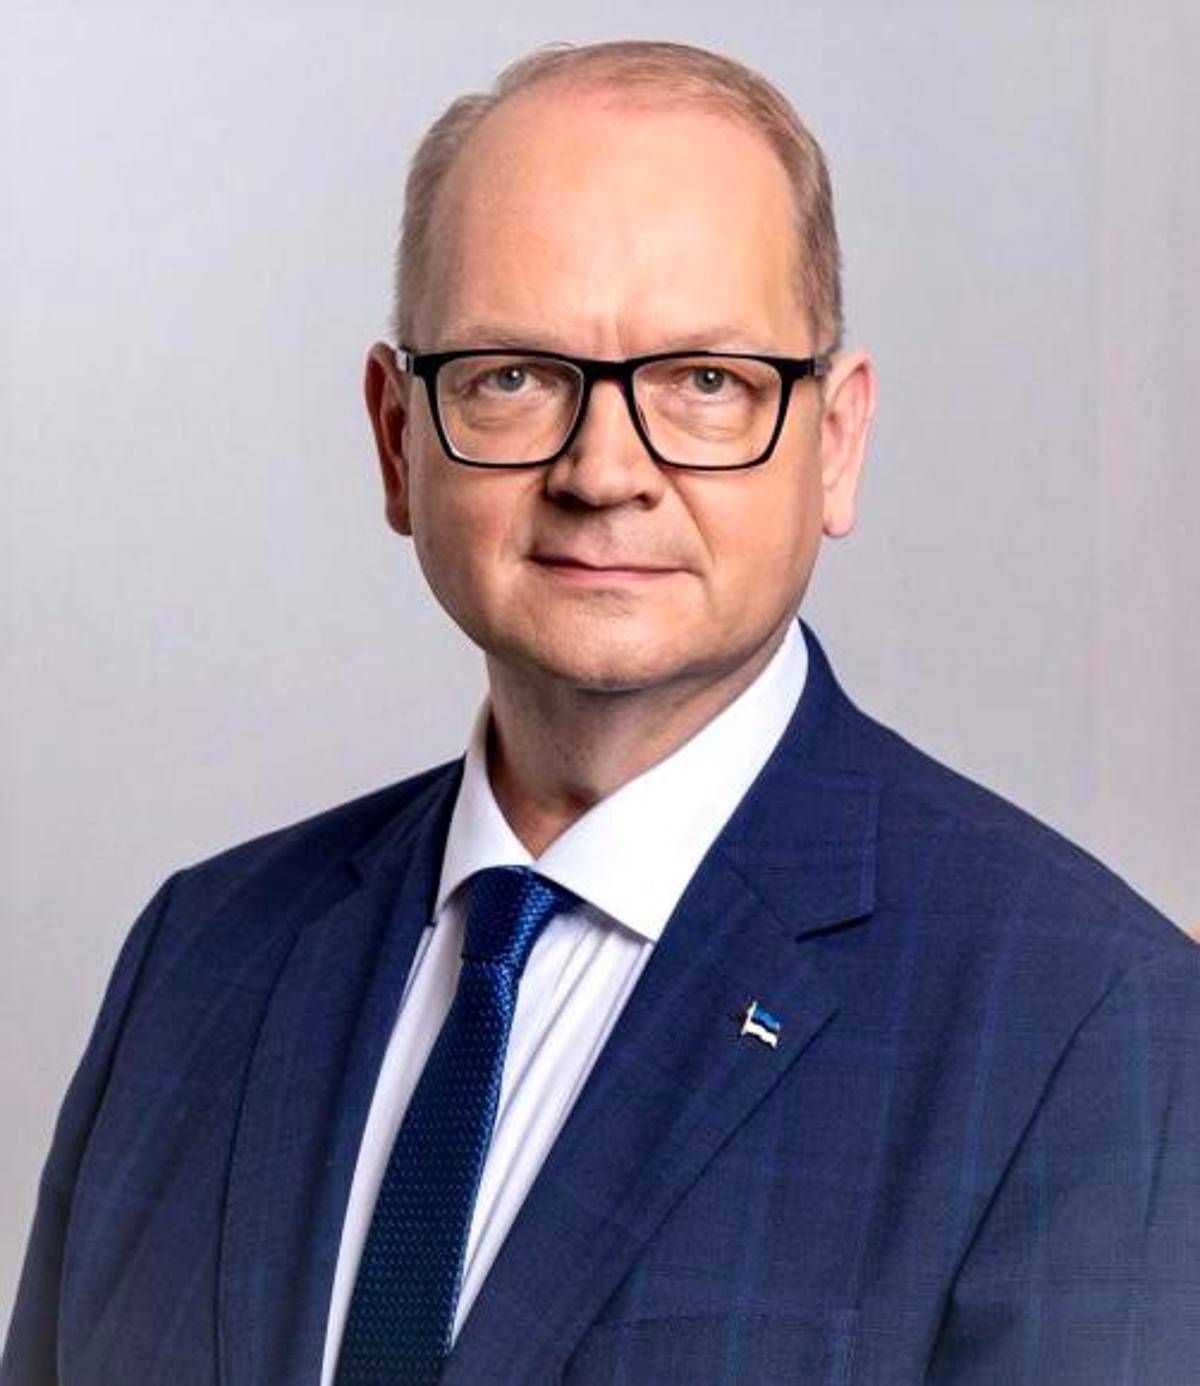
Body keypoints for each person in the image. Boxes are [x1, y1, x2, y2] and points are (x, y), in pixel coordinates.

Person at [4, 37, 1198, 1386]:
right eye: (514, 374)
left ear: (836, 443)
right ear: (399, 436)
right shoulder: (199, 961)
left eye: (707, 381)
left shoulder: (1089, 1024)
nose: (603, 470)